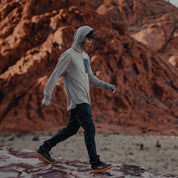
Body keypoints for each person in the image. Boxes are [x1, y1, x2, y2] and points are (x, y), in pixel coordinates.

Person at [36, 26, 116, 173]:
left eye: (92, 39)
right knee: (90, 128)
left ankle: (44, 148)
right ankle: (95, 162)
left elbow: (90, 77)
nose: (91, 42)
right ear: (81, 38)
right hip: (78, 100)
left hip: (85, 99)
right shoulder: (68, 55)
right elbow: (55, 75)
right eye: (88, 38)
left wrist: (106, 86)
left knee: (71, 130)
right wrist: (47, 96)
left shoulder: (85, 57)